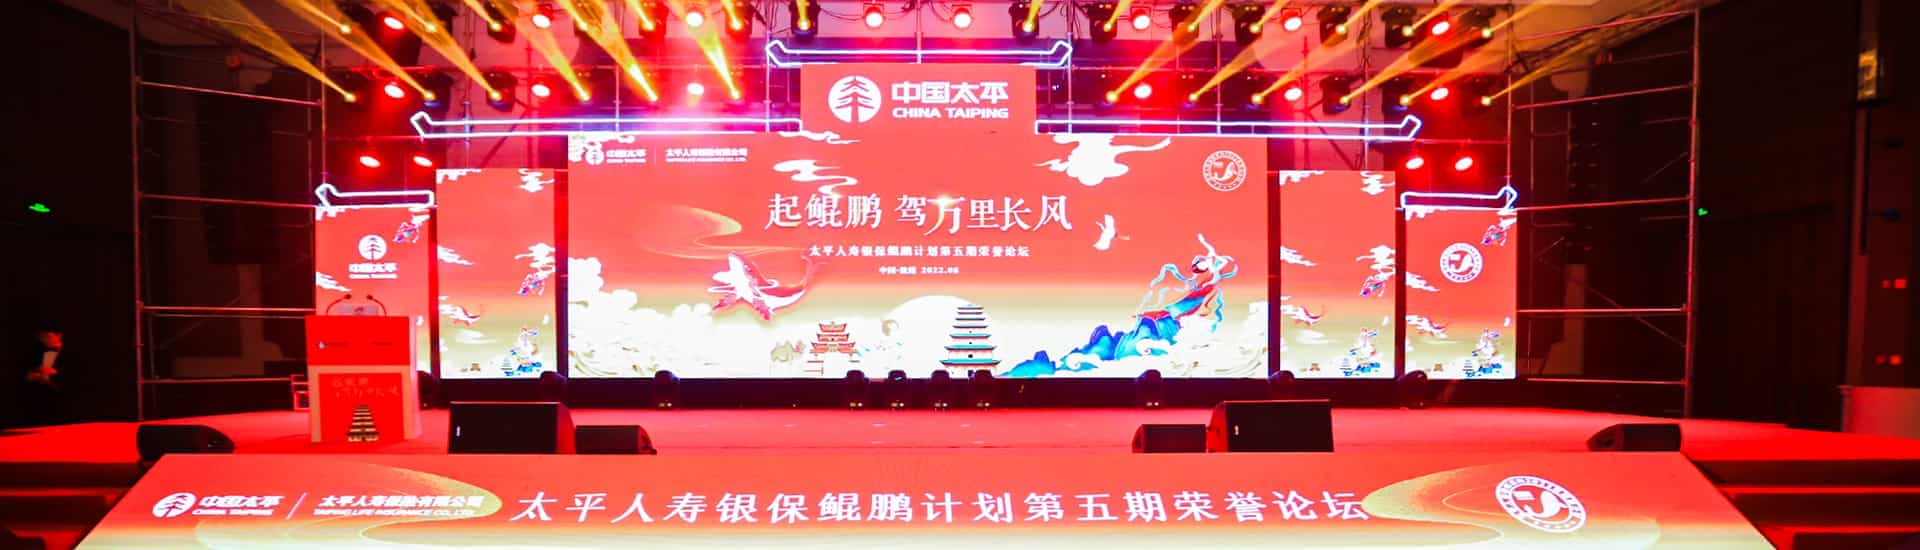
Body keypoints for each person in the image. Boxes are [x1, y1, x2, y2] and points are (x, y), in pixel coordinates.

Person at [11, 326, 64, 428]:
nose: (44, 339)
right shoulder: (33, 350)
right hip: (33, 406)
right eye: (42, 337)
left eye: (48, 336)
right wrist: (32, 375)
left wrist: (51, 374)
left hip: (58, 409)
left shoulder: (61, 350)